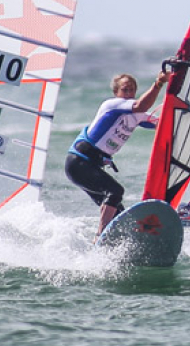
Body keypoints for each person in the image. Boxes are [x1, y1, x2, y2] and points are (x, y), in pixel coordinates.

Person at [65, 71, 168, 239]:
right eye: (125, 90)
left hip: (91, 165)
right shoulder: (112, 106)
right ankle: (100, 237)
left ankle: (118, 246)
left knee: (120, 215)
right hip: (78, 162)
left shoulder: (137, 116)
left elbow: (163, 123)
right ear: (116, 93)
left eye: (132, 90)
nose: (128, 94)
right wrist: (158, 83)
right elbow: (141, 106)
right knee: (115, 191)